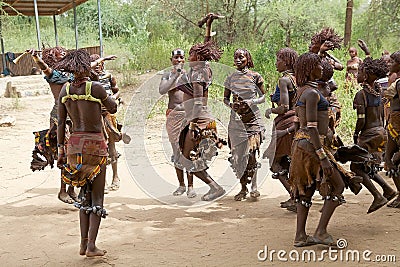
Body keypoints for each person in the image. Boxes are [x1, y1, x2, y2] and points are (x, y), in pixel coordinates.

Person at [56, 49, 117, 257]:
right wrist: (110, 97)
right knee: (97, 198)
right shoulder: (96, 88)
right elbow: (114, 108)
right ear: (85, 67)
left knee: (84, 196)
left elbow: (61, 123)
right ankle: (91, 246)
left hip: (74, 146)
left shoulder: (64, 90)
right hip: (95, 145)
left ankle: (83, 245)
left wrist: (60, 150)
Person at [289, 52, 345, 247]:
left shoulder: (302, 90)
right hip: (313, 146)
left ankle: (300, 236)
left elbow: (298, 123)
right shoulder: (312, 93)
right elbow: (311, 127)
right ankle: (320, 231)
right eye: (319, 65)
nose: (322, 68)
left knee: (306, 190)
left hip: (302, 146)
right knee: (338, 185)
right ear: (310, 69)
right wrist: (322, 156)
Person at [176, 13, 225, 201]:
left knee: (188, 161)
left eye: (191, 54)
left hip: (199, 123)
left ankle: (215, 187)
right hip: (206, 122)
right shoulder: (205, 68)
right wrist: (208, 25)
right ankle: (214, 187)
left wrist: (191, 123)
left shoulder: (197, 74)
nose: (188, 57)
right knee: (194, 159)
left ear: (197, 56)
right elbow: (206, 48)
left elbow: (197, 102)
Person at [27, 47, 78, 204]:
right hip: (60, 118)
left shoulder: (70, 73)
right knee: (64, 154)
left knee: (76, 154)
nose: (62, 54)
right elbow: (43, 67)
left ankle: (71, 189)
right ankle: (63, 191)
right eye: (58, 53)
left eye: (63, 52)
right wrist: (36, 58)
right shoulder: (52, 74)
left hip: (74, 116)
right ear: (51, 57)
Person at [352, 57, 397, 213]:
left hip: (369, 134)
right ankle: (388, 189)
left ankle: (377, 196)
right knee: (367, 165)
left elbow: (361, 119)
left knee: (356, 166)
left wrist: (356, 133)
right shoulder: (379, 91)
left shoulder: (361, 94)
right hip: (381, 132)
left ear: (367, 75)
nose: (357, 74)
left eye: (359, 72)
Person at [223, 48, 265, 201]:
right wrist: (231, 105)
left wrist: (252, 101)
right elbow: (226, 99)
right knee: (238, 156)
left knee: (252, 154)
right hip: (236, 122)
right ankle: (243, 188)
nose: (238, 60)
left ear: (248, 58)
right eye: (236, 57)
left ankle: (254, 187)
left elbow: (263, 97)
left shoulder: (255, 76)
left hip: (253, 120)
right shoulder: (230, 78)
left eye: (241, 57)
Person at [159, 48, 196, 198]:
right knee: (176, 151)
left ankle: (191, 186)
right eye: (176, 58)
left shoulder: (189, 74)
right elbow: (162, 90)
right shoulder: (168, 75)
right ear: (171, 60)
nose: (179, 60)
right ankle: (181, 185)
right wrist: (175, 75)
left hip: (187, 114)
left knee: (189, 151)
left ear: (185, 60)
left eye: (181, 58)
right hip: (173, 115)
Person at [263, 47, 298, 209]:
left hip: (285, 122)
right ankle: (297, 196)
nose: (276, 63)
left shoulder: (284, 80)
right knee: (291, 160)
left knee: (274, 161)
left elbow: (284, 106)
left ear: (286, 62)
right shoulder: (298, 79)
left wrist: (271, 110)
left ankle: (294, 196)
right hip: (297, 121)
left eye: (278, 60)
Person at [90, 53, 122, 192]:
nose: (97, 67)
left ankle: (115, 177)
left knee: (111, 146)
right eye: (94, 65)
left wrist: (112, 98)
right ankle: (99, 180)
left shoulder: (108, 76)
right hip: (93, 116)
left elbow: (117, 91)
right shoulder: (88, 81)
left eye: (99, 64)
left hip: (107, 114)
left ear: (103, 65)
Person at [384, 51, 400, 208]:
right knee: (390, 159)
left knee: (392, 159)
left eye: (392, 61)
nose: (389, 64)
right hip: (394, 126)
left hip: (398, 127)